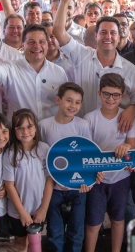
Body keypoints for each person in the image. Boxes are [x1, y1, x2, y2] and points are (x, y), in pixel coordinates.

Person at [53, 0, 135, 128]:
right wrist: (64, 1)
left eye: (113, 33)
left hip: (115, 133)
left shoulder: (131, 70)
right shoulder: (81, 54)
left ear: (119, 37)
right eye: (103, 32)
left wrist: (133, 109)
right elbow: (58, 31)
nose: (108, 37)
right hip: (81, 130)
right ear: (96, 36)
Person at [83, 73, 135, 252]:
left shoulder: (128, 117)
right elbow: (86, 153)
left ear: (122, 96)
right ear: (99, 93)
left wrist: (127, 147)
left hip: (121, 179)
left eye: (115, 95)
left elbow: (133, 147)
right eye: (106, 94)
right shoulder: (90, 119)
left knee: (118, 219)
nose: (111, 99)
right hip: (96, 180)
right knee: (93, 223)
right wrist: (93, 173)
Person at [39, 82, 92, 252]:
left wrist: (87, 181)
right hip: (53, 189)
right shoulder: (44, 126)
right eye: (69, 100)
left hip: (78, 188)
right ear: (58, 100)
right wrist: (55, 179)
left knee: (76, 233)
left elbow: (87, 156)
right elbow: (42, 158)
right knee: (55, 233)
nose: (73, 105)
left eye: (77, 102)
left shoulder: (83, 125)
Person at [0, 24, 67, 121]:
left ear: (47, 44)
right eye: (31, 42)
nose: (37, 46)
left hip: (51, 129)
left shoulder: (59, 72)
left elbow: (65, 103)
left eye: (41, 42)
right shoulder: (11, 68)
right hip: (18, 129)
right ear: (23, 45)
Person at [2, 109, 53, 252]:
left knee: (35, 242)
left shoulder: (44, 149)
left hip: (39, 210)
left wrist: (43, 209)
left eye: (29, 126)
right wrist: (22, 213)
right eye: (20, 128)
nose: (25, 131)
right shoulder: (10, 153)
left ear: (35, 127)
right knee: (20, 243)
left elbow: (49, 181)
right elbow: (9, 186)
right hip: (18, 211)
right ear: (14, 131)